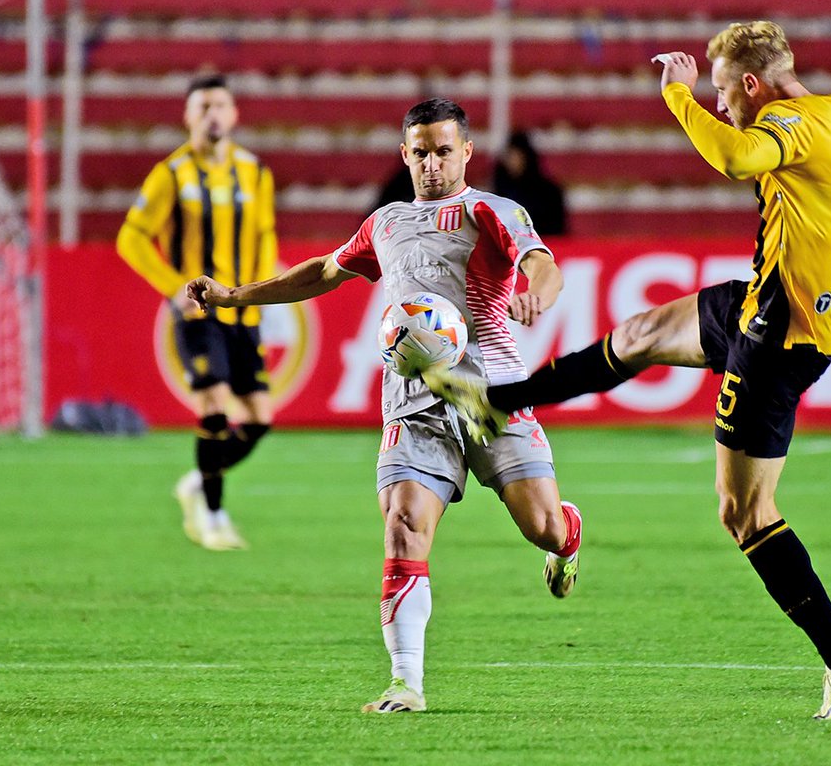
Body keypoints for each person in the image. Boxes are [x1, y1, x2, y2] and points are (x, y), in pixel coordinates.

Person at [425, 21, 831, 720]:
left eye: (727, 90)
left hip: (777, 337)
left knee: (744, 513)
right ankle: (497, 403)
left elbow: (736, 157)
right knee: (638, 336)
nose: (722, 102)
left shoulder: (790, 121)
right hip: (764, 303)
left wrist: (678, 97)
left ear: (754, 85)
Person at [185, 98, 583, 714]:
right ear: (405, 154)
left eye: (443, 151)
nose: (431, 164)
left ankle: (568, 537)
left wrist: (538, 293)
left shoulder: (492, 210)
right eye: (419, 152)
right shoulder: (386, 222)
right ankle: (406, 683)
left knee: (544, 529)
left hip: (493, 396)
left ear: (467, 152)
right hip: (413, 405)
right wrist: (236, 295)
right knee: (403, 528)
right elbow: (324, 270)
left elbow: (542, 263)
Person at [117, 73, 277, 552]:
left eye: (221, 105)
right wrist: (173, 288)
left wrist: (260, 290)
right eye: (203, 105)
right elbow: (131, 237)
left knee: (259, 418)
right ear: (187, 116)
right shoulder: (171, 174)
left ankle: (198, 480)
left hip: (241, 310)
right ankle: (212, 515)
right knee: (214, 404)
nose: (213, 113)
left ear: (234, 114)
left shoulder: (255, 172)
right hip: (198, 313)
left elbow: (265, 234)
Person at [492, 130, 568, 236]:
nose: (513, 162)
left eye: (518, 156)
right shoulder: (499, 191)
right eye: (510, 156)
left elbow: (557, 229)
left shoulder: (549, 192)